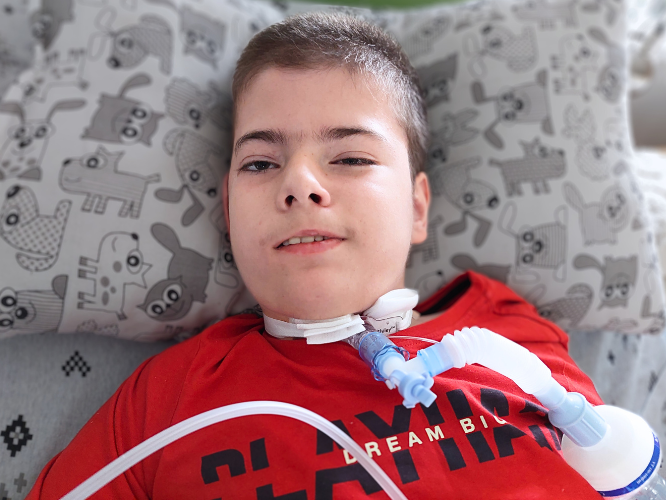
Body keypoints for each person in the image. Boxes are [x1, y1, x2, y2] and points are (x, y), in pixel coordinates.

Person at [27, 12, 603, 499]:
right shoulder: (170, 400)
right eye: (261, 163)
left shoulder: (510, 337)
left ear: (417, 207)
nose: (300, 184)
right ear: (228, 210)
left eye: (350, 158)